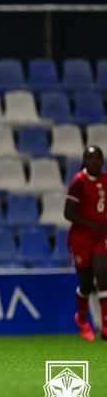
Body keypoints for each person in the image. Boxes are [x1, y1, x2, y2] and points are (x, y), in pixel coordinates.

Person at [64, 144, 107, 341]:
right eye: (90, 158)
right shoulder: (78, 182)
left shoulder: (106, 180)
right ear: (84, 160)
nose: (95, 162)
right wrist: (92, 224)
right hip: (81, 238)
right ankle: (81, 318)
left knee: (103, 275)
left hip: (100, 237)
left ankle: (105, 325)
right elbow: (68, 212)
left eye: (98, 158)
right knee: (87, 284)